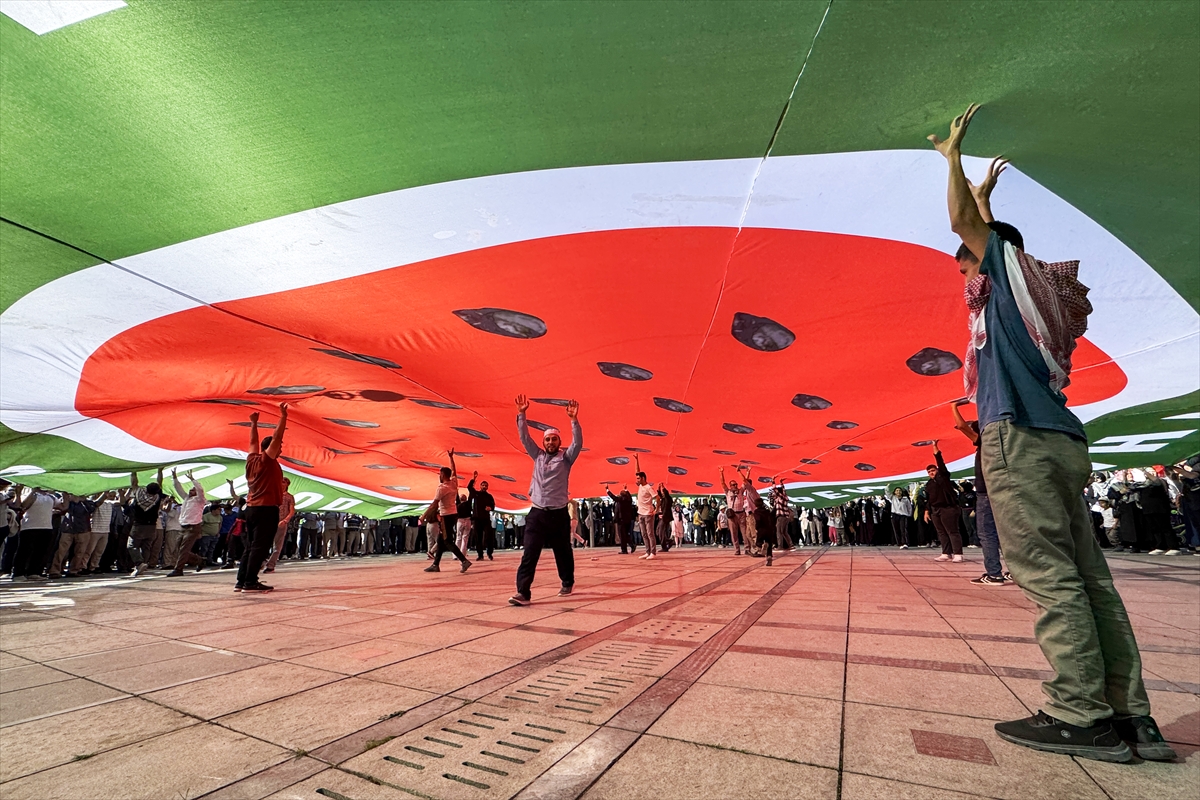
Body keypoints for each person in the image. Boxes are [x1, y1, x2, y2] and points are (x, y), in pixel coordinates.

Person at [931, 104, 1171, 761]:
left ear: (986, 258)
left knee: (1051, 579)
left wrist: (953, 163)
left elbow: (966, 229)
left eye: (964, 270)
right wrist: (983, 202)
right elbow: (979, 236)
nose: (964, 285)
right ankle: (1132, 719)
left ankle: (1079, 713)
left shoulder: (1006, 278)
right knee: (1091, 580)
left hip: (1021, 439)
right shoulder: (1041, 303)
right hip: (1062, 440)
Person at [509, 395, 581, 605]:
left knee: (563, 552)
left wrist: (573, 420)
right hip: (537, 514)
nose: (550, 442)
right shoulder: (537, 456)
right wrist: (522, 414)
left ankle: (567, 582)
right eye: (547, 439)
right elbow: (524, 439)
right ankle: (523, 592)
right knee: (529, 553)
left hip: (559, 514)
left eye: (554, 439)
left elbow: (578, 443)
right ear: (543, 443)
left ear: (559, 442)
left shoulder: (566, 459)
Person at [952, 402, 1011, 584]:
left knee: (987, 533)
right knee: (1006, 532)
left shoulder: (984, 441)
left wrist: (954, 406)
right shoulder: (999, 441)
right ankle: (1015, 570)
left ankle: (994, 573)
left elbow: (961, 425)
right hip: (1003, 490)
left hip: (986, 493)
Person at [237, 403, 289, 592]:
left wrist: (253, 423)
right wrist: (283, 416)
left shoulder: (251, 460)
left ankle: (241, 581)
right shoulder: (267, 461)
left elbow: (253, 442)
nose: (281, 449)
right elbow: (277, 437)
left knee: (251, 546)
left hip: (252, 509)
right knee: (260, 547)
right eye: (279, 447)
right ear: (270, 449)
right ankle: (250, 582)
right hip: (266, 509)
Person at [421, 449, 472, 574]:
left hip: (446, 516)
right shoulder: (454, 483)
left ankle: (464, 561)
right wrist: (451, 458)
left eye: (440, 474)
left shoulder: (442, 488)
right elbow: (454, 470)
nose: (439, 475)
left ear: (442, 475)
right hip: (453, 514)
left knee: (447, 541)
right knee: (440, 540)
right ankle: (435, 564)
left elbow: (434, 505)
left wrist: (423, 516)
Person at [924, 441, 963, 562]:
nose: (931, 473)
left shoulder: (944, 478)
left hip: (948, 508)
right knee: (941, 532)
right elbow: (929, 499)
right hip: (935, 510)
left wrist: (935, 448)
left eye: (933, 470)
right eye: (929, 472)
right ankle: (946, 553)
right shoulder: (928, 485)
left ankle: (958, 553)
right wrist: (927, 511)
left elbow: (941, 463)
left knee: (952, 531)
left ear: (937, 470)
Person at [168, 469, 208, 577]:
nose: (191, 491)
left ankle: (178, 569)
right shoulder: (186, 499)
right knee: (177, 548)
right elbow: (178, 488)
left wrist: (193, 480)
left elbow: (200, 490)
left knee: (184, 549)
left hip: (193, 527)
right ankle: (200, 560)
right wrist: (175, 477)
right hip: (183, 526)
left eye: (193, 490)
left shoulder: (200, 500)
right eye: (191, 489)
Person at [129, 468, 165, 578]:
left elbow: (134, 483)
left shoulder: (139, 494)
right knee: (146, 547)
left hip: (139, 525)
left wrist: (133, 471)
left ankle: (139, 564)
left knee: (131, 545)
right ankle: (143, 564)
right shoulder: (157, 497)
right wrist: (159, 471)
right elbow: (160, 483)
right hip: (152, 526)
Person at [263, 477, 296, 573]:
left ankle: (271, 565)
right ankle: (262, 561)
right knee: (264, 543)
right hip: (270, 521)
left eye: (283, 482)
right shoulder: (273, 494)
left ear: (287, 484)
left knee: (277, 546)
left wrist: (286, 520)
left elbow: (292, 510)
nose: (281, 484)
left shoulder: (289, 497)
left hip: (281, 522)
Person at [467, 472, 497, 560]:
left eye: (485, 485)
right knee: (477, 537)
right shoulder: (476, 494)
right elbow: (469, 487)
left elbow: (493, 506)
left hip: (486, 519)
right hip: (477, 519)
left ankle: (490, 553)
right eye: (483, 485)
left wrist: (490, 508)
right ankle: (480, 555)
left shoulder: (489, 496)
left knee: (489, 536)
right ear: (480, 486)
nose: (484, 486)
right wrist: (474, 479)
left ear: (487, 487)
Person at [719, 467, 748, 555]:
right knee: (733, 533)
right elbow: (722, 483)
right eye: (733, 485)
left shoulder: (740, 491)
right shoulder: (728, 492)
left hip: (741, 513)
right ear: (730, 486)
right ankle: (737, 549)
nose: (735, 486)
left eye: (736, 484)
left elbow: (745, 482)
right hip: (732, 515)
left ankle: (747, 548)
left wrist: (746, 472)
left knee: (744, 533)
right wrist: (721, 472)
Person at [633, 457, 657, 560]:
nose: (637, 480)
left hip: (648, 513)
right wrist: (637, 460)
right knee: (643, 533)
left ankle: (653, 552)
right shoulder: (640, 487)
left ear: (643, 478)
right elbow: (637, 471)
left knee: (650, 533)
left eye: (639, 478)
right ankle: (647, 552)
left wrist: (656, 509)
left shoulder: (648, 487)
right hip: (641, 513)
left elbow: (657, 497)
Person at [605, 484, 635, 554]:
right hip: (628, 520)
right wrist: (626, 489)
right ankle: (631, 545)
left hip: (621, 520)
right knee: (626, 534)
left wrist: (607, 490)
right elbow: (629, 496)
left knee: (622, 535)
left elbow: (613, 497)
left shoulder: (621, 500)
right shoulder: (629, 500)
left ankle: (625, 549)